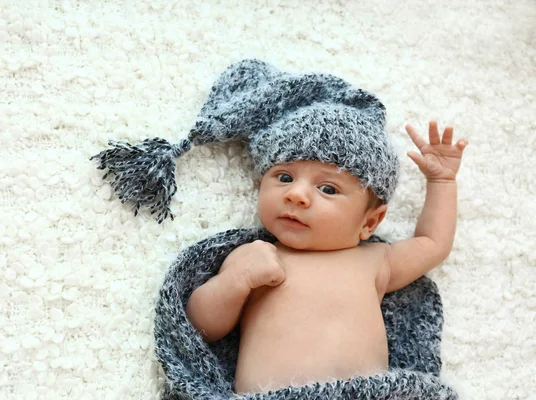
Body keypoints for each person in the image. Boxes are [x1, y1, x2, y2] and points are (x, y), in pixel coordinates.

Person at [186, 120, 468, 394]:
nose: (296, 194)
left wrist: (442, 181)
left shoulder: (376, 260)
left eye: (328, 189)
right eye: (284, 177)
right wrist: (234, 281)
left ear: (369, 223)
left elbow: (433, 244)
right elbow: (201, 327)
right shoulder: (255, 257)